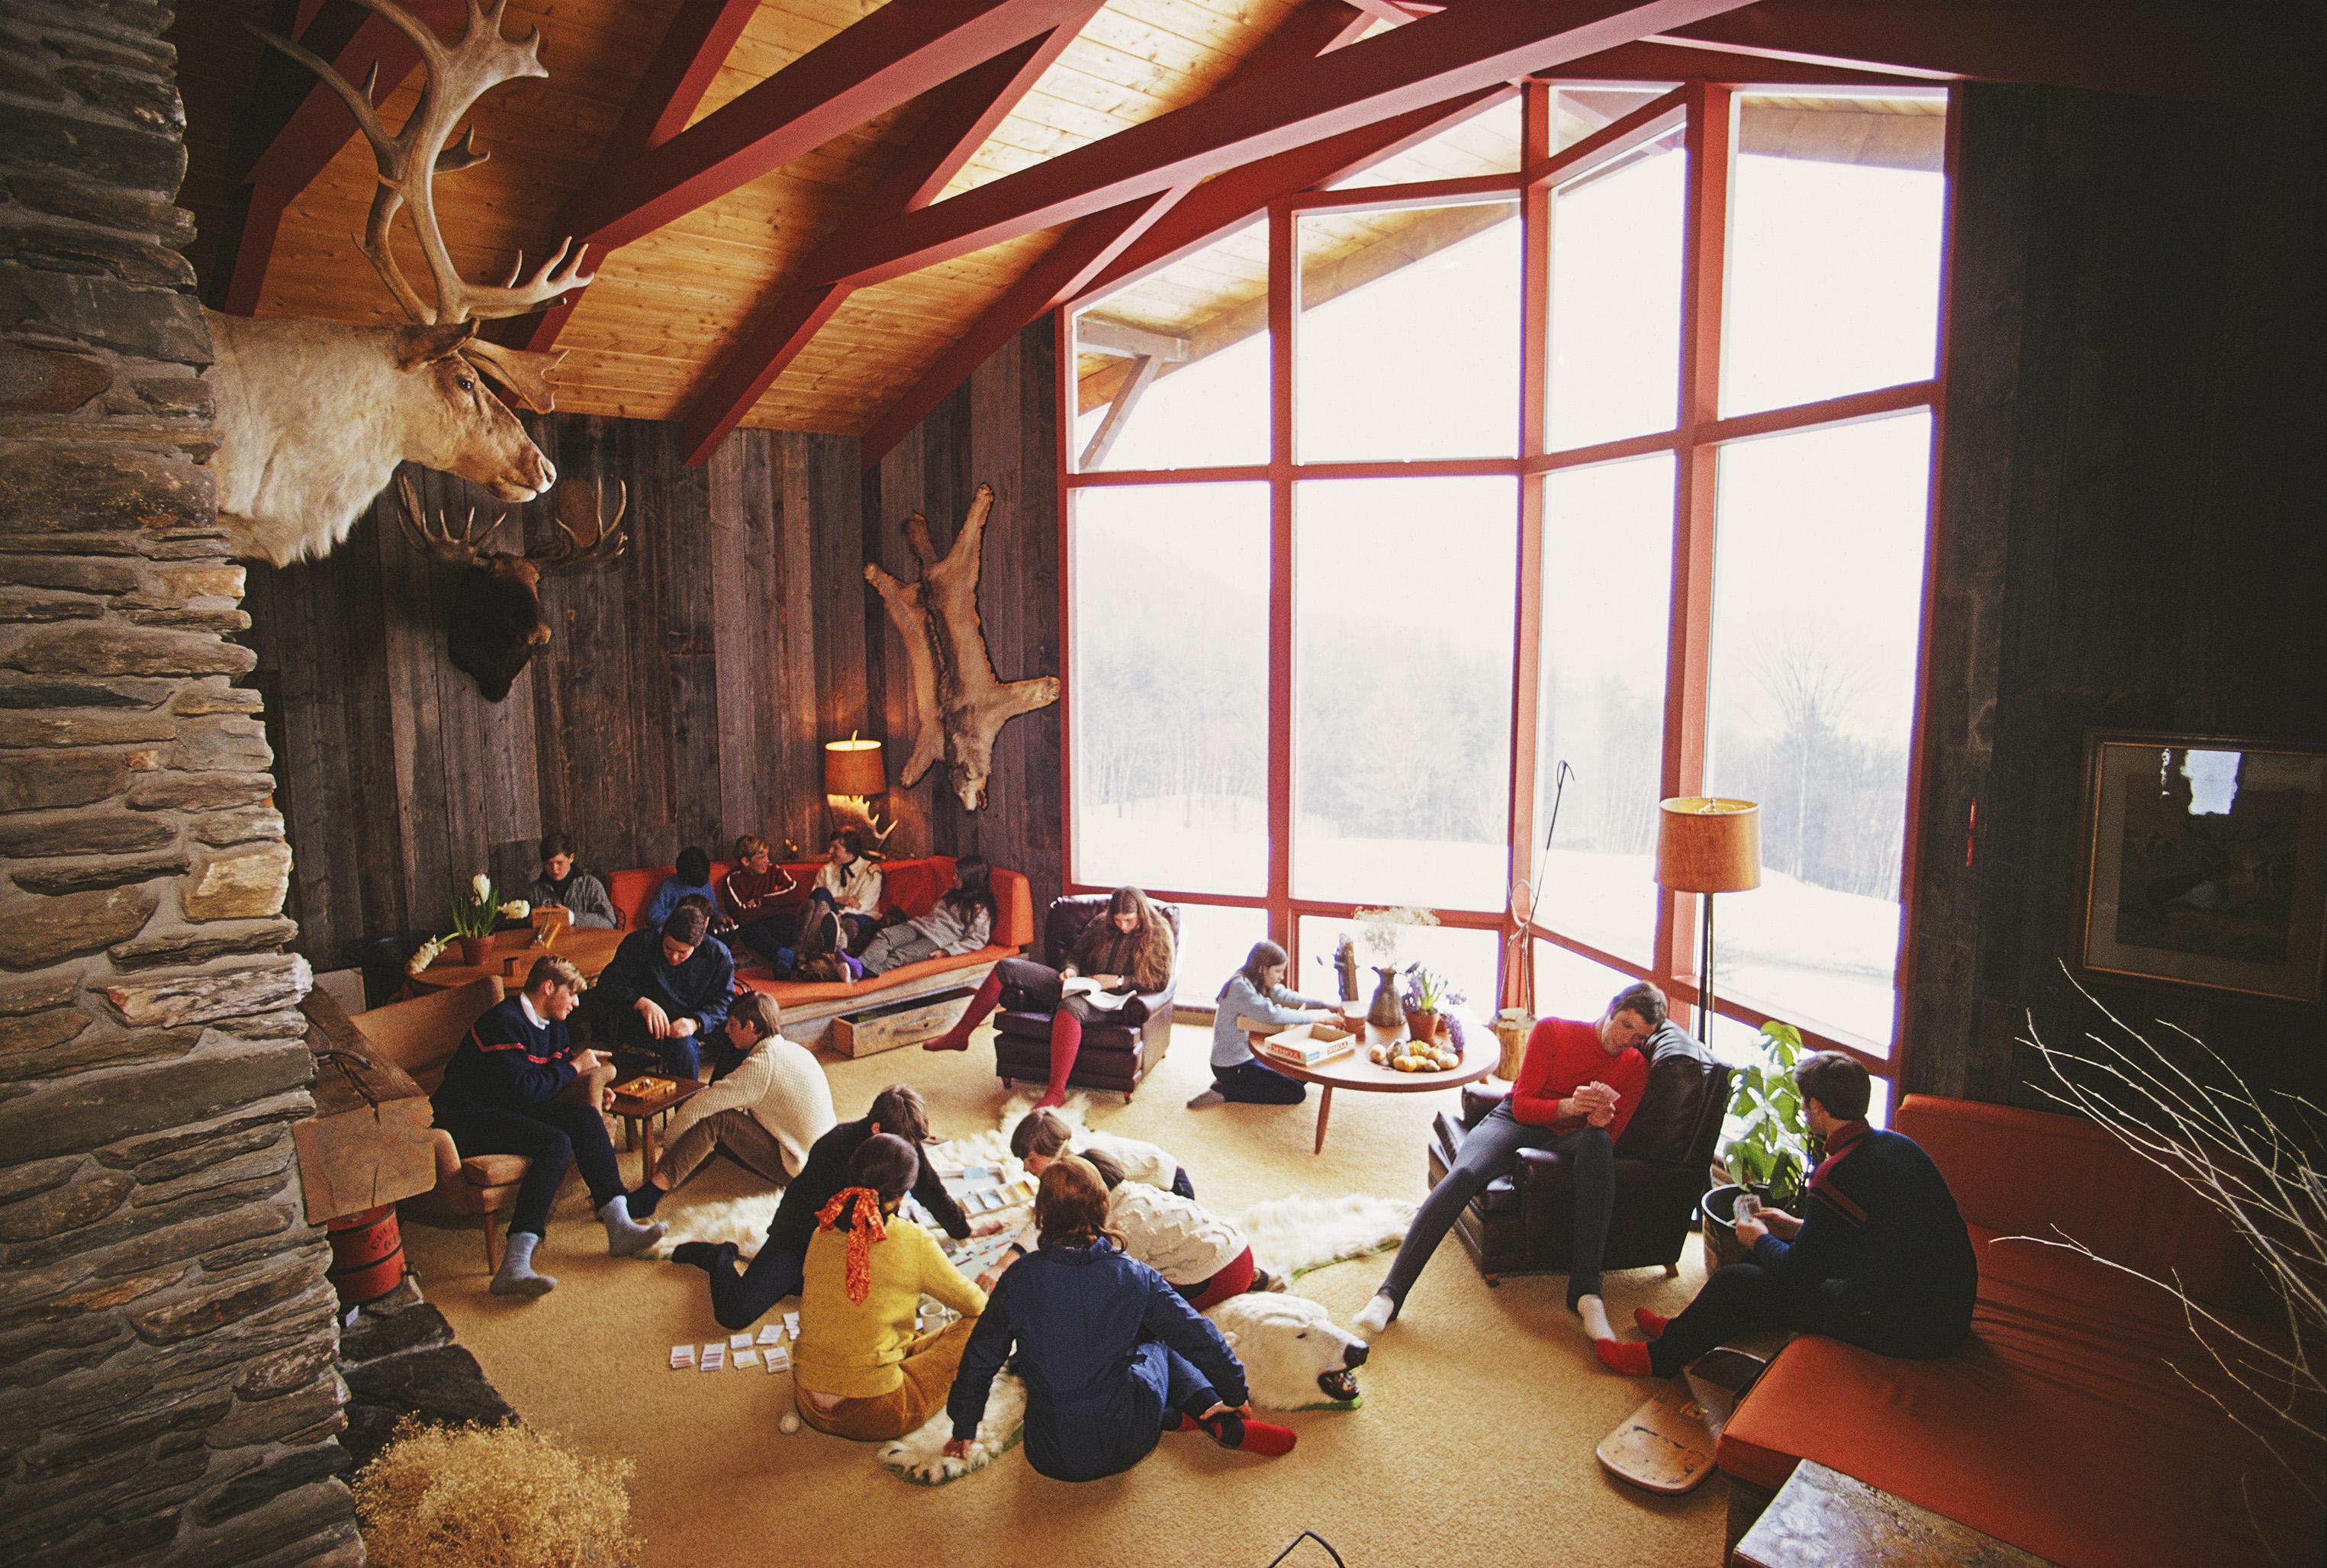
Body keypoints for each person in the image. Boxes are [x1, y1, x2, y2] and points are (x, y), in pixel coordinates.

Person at [1595, 1051, 1978, 1378]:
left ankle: (1660, 1360)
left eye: (1804, 1103)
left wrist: (1758, 1238)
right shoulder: (1897, 1145)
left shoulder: (1836, 1173)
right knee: (1759, 1255)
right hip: (1943, 1309)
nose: (1803, 1110)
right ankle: (1685, 1330)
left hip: (1906, 1326)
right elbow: (1871, 1233)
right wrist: (1794, 1226)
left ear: (1817, 1107)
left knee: (1740, 1278)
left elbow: (1799, 1271)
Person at [1352, 980, 1669, 1343]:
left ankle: (1586, 1294)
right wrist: (1567, 1106)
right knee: (1464, 1175)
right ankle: (1389, 1296)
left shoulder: (1635, 1067)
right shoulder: (1554, 1030)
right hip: (1517, 1121)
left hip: (1570, 1138)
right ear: (1612, 1008)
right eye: (1626, 1025)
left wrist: (1597, 1124)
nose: (1627, 1040)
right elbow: (1522, 1104)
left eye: (1639, 1036)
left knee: (1597, 1142)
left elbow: (1610, 1139)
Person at [941, 1156, 1296, 1478]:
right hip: (1132, 1437)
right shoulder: (1135, 1275)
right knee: (1158, 1334)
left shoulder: (1017, 1279)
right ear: (1103, 1209)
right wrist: (1235, 1392)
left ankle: (1178, 1417)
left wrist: (964, 1426)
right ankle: (1209, 1409)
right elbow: (1199, 1335)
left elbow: (980, 1358)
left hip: (1048, 1453)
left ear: (1042, 1215)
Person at [671, 1085, 1004, 1331]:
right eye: (905, 1143)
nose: (912, 1151)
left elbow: (930, 1187)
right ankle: (719, 1256)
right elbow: (808, 1220)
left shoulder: (903, 1147)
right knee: (735, 1313)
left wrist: (963, 1229)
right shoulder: (834, 1147)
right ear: (877, 1130)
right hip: (804, 1236)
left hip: (854, 1241)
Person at [427, 956, 663, 1296]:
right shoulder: (503, 1023)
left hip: (507, 1107)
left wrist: (590, 1086)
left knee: (584, 1117)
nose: (577, 1003)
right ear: (548, 987)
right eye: (572, 994)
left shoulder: (555, 1025)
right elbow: (524, 1090)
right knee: (554, 1143)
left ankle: (620, 1226)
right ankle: (514, 1265)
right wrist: (575, 1067)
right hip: (464, 1118)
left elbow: (543, 1083)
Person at [792, 1135, 986, 1442]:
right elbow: (975, 1306)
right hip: (877, 1410)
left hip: (807, 1398)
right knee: (980, 1327)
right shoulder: (913, 1240)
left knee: (888, 1332)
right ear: (901, 1196)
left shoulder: (822, 1229)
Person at [923, 885, 1176, 1110]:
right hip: (1081, 986)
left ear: (1140, 914)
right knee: (1006, 967)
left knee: (1069, 1007)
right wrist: (1071, 970)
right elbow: (1075, 955)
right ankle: (960, 1035)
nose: (1123, 926)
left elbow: (1161, 979)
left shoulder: (1158, 932)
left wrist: (1119, 981)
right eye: (1118, 920)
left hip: (1114, 1002)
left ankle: (1056, 1093)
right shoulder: (1102, 923)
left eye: (1129, 921)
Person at [626, 992, 835, 1219]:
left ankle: (650, 1194)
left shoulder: (760, 1065)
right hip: (820, 1156)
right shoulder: (793, 1050)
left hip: (798, 1165)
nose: (727, 1030)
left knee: (718, 1120)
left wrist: (669, 1145)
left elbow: (701, 1106)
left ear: (751, 1027)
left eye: (733, 1024)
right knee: (727, 1111)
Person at [1188, 940, 1341, 1109]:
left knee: (1303, 1073)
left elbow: (1288, 997)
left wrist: (1325, 1005)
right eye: (1278, 971)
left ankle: (1234, 1084)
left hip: (1249, 1057)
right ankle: (1226, 1091)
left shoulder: (1256, 980)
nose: (1281, 977)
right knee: (1296, 1092)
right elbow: (1271, 1015)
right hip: (1232, 1065)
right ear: (1263, 969)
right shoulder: (1240, 987)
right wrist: (1317, 1019)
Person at [594, 903, 735, 1080]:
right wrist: (640, 1002)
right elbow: (607, 985)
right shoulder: (639, 943)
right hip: (649, 1023)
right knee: (684, 1048)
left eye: (682, 953)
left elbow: (725, 1001)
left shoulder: (717, 954)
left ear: (698, 943)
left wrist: (696, 1022)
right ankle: (685, 1106)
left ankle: (720, 1092)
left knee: (743, 1033)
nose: (674, 957)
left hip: (696, 1018)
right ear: (664, 933)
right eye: (668, 948)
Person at [857, 855, 997, 975]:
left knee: (901, 955)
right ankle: (860, 966)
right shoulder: (949, 894)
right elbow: (932, 916)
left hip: (938, 940)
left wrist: (947, 951)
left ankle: (864, 972)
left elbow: (977, 940)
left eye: (958, 876)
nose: (953, 877)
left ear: (971, 879)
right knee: (885, 935)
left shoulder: (981, 908)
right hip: (920, 926)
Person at [1009, 1106, 1193, 1199]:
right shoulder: (1061, 1158)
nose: (1025, 1168)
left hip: (1171, 1184)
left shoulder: (1083, 1167)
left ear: (1051, 1151)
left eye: (1031, 1160)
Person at [719, 833, 798, 966]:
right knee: (751, 932)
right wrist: (777, 903)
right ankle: (787, 959)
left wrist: (760, 902)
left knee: (789, 922)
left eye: (767, 856)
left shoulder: (775, 870)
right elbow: (741, 916)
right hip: (755, 928)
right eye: (761, 857)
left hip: (781, 922)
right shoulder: (734, 880)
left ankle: (785, 959)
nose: (767, 861)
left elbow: (795, 895)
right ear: (746, 861)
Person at [526, 831, 620, 929]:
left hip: (586, 943)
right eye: (549, 864)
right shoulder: (534, 891)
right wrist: (530, 919)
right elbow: (518, 928)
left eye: (559, 863)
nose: (554, 869)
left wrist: (572, 917)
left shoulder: (590, 885)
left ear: (571, 858)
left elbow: (609, 923)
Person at [808, 828, 883, 951]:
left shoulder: (871, 871)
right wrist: (838, 900)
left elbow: (864, 906)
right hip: (826, 918)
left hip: (859, 916)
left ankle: (823, 951)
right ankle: (815, 945)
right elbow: (815, 902)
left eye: (835, 847)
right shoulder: (826, 870)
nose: (830, 851)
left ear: (850, 850)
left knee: (851, 922)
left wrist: (838, 914)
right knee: (820, 893)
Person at [642, 845, 717, 931]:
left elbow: (714, 910)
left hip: (702, 932)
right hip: (677, 933)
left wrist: (722, 918)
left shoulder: (705, 882)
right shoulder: (668, 886)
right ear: (685, 877)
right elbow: (651, 917)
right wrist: (680, 921)